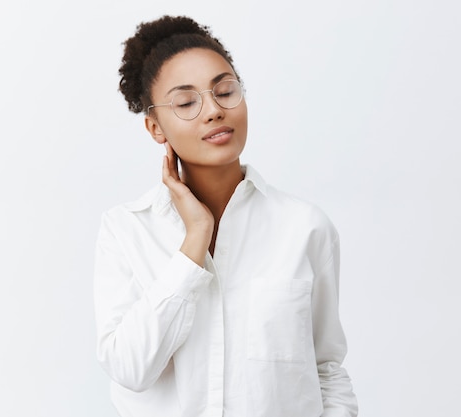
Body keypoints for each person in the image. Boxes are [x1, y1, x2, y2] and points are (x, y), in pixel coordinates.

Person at [93, 15, 358, 417]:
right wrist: (194, 242)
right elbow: (129, 369)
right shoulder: (127, 231)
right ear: (155, 128)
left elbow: (325, 369)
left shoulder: (305, 228)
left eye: (225, 91)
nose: (214, 110)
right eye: (186, 102)